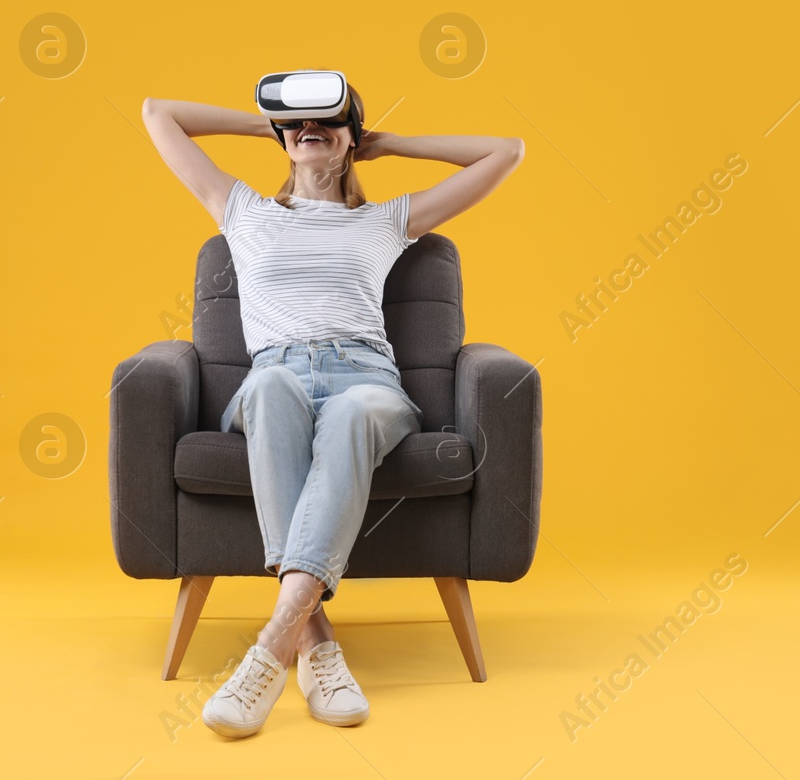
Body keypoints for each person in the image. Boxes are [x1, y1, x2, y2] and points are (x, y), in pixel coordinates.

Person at [139, 78, 524, 738]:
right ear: (283, 139)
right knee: (264, 389)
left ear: (351, 138)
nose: (310, 127)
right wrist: (268, 123)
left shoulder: (387, 220)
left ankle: (268, 653)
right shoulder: (243, 209)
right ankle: (315, 645)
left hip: (365, 380)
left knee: (349, 416)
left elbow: (506, 151)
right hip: (277, 372)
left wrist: (391, 143)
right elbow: (158, 113)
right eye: (299, 124)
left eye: (328, 121)